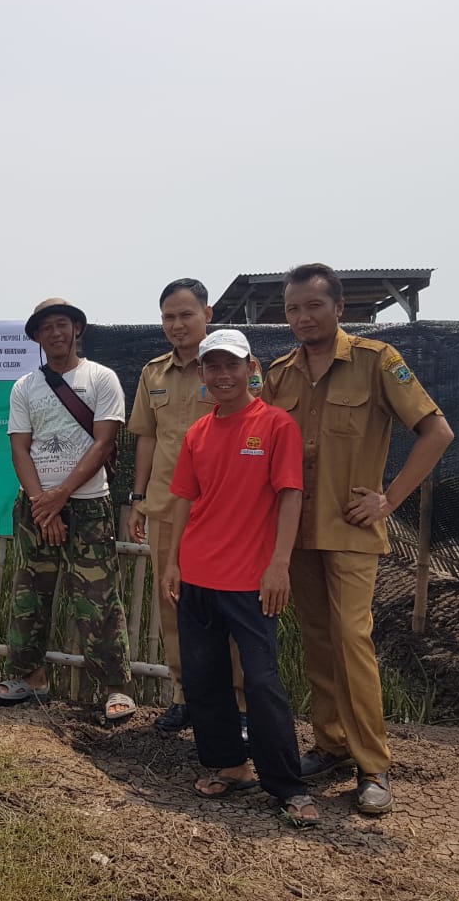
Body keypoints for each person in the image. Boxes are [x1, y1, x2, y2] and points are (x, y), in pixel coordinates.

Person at [261, 263, 454, 815]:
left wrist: (389, 499)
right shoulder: (279, 374)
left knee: (352, 640)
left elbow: (437, 431)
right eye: (293, 308)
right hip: (296, 532)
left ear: (339, 308)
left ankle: (373, 765)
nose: (302, 317)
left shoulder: (377, 361)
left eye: (313, 306)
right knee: (319, 640)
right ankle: (331, 745)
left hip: (350, 530)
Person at [161, 329, 319, 827]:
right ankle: (231, 764)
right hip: (198, 574)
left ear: (252, 367)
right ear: (203, 375)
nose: (223, 376)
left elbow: (290, 495)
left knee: (262, 681)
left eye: (232, 365)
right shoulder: (197, 433)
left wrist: (279, 564)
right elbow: (185, 500)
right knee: (205, 679)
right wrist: (172, 562)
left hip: (252, 580)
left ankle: (287, 785)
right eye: (213, 367)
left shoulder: (275, 425)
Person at [0, 298, 135, 721]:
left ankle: (115, 688)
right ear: (36, 337)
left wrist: (61, 497)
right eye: (45, 328)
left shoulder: (101, 378)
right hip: (37, 506)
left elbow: (104, 443)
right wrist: (44, 505)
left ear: (76, 329)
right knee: (30, 594)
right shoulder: (24, 387)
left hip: (89, 504)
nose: (54, 334)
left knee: (98, 597)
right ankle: (28, 677)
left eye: (61, 325)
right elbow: (20, 447)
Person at [127, 277, 247, 733]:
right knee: (171, 604)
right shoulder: (152, 373)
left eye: (185, 315)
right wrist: (138, 499)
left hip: (221, 512)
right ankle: (185, 696)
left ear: (208, 314)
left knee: (229, 610)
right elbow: (147, 438)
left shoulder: (229, 369)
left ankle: (237, 706)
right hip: (165, 507)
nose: (176, 325)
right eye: (168, 317)